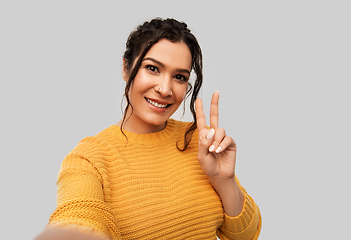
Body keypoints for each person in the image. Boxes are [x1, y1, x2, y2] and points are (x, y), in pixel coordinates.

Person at [34, 18, 261, 240]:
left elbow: (247, 235)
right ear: (126, 68)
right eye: (152, 68)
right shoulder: (89, 158)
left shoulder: (199, 141)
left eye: (179, 77)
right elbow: (78, 216)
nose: (165, 89)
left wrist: (224, 180)